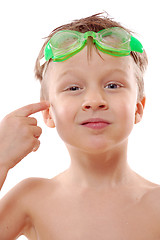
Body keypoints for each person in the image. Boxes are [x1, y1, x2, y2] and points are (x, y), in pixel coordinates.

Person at [0, 12, 160, 239]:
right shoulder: (30, 199)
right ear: (48, 113)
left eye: (113, 85)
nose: (94, 100)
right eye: (73, 88)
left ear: (138, 108)